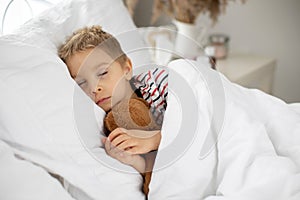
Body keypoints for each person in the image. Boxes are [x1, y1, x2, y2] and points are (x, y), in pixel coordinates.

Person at [58, 25, 168, 192]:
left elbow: (197, 119)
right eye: (81, 83)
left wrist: (154, 140)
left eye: (102, 73)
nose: (94, 88)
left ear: (127, 69)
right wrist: (134, 161)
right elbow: (156, 169)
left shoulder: (157, 82)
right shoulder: (110, 124)